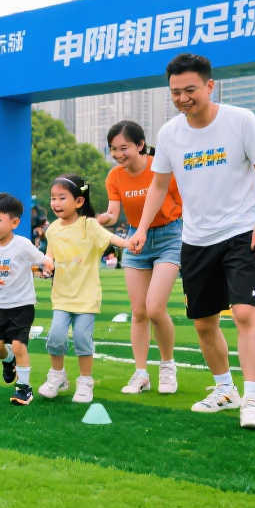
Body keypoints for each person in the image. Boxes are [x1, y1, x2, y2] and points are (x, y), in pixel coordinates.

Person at [128, 53, 255, 431]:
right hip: (195, 240)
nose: (182, 98)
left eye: (190, 90)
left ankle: (252, 399)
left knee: (244, 314)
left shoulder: (241, 121)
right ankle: (225, 390)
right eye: (175, 92)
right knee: (204, 323)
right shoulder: (169, 134)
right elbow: (159, 185)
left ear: (210, 86)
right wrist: (141, 228)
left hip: (242, 232)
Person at [97, 120, 182, 395]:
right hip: (135, 241)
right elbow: (113, 214)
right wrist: (98, 219)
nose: (118, 154)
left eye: (124, 148)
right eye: (113, 149)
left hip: (170, 237)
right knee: (139, 312)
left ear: (140, 145)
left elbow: (183, 204)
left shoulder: (162, 167)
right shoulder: (114, 176)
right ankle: (141, 373)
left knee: (155, 308)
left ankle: (167, 366)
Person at [37, 175, 128, 403]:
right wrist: (46, 264)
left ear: (78, 201)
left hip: (87, 296)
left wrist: (129, 243)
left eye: (62, 198)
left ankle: (85, 381)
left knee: (81, 338)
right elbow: (50, 255)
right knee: (55, 337)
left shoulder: (89, 225)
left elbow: (111, 238)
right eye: (53, 198)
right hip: (61, 296)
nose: (56, 203)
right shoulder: (52, 230)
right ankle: (57, 376)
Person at [0, 192, 53, 406]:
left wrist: (48, 264)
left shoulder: (22, 244)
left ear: (14, 222)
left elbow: (41, 259)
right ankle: (8, 361)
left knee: (18, 345)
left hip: (22, 305)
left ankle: (24, 388)